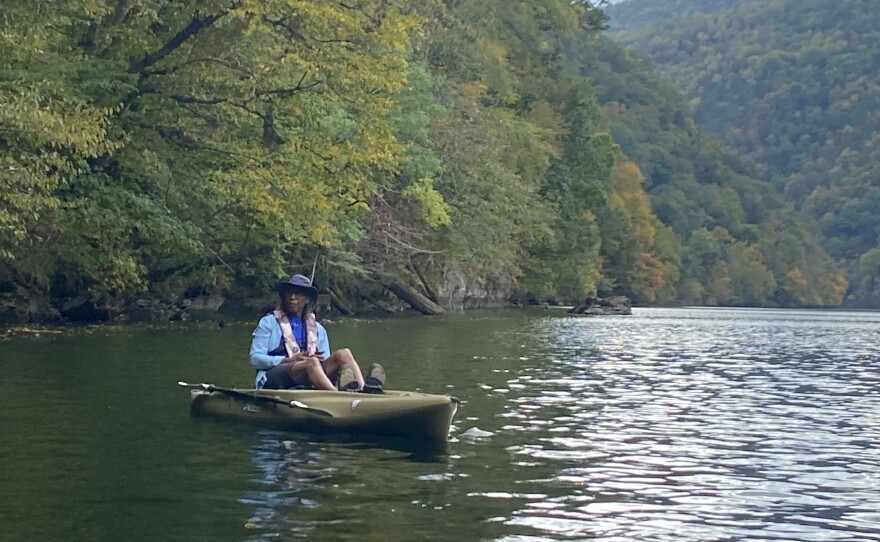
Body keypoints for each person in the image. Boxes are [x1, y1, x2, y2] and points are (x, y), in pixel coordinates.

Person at [249, 274, 385, 393]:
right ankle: (338, 396)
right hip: (273, 377)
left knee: (344, 354)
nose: (292, 297)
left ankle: (363, 391)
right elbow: (254, 359)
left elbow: (325, 361)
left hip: (308, 374)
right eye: (289, 293)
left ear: (307, 300)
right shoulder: (268, 322)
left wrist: (319, 361)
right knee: (312, 362)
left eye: (298, 294)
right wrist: (288, 360)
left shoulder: (318, 329)